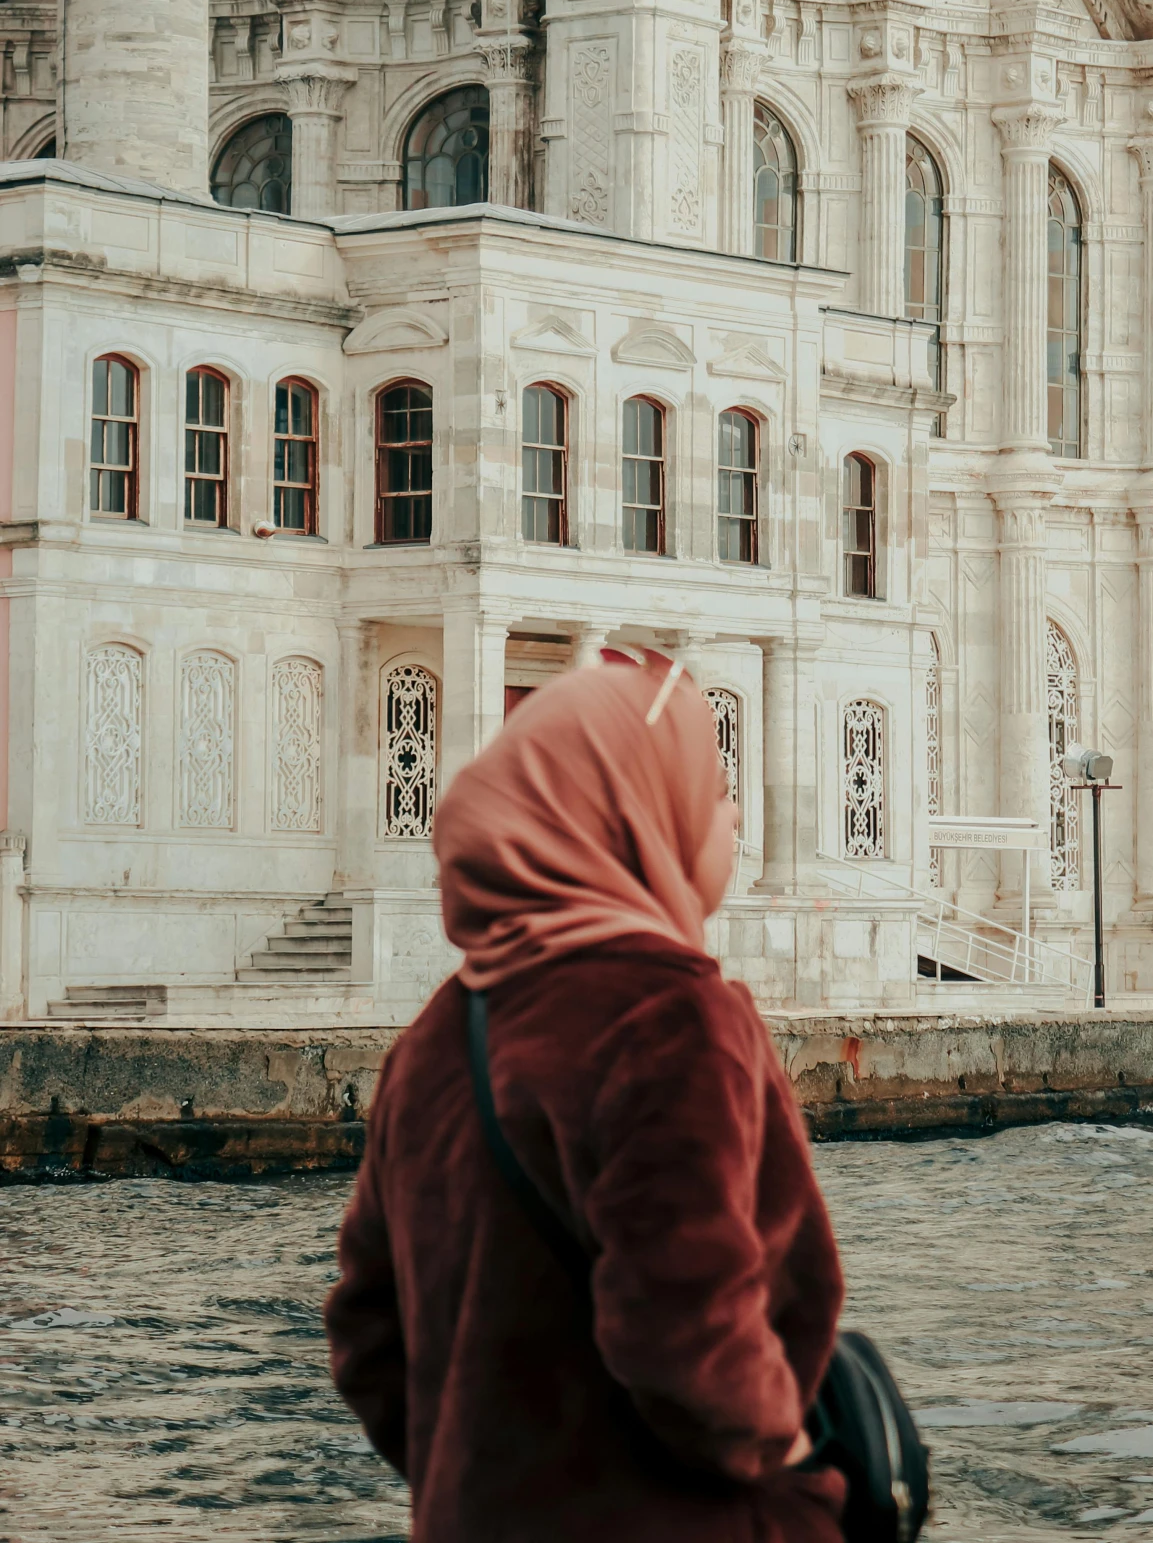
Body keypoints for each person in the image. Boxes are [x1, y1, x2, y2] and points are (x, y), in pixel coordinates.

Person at [324, 647, 848, 1543]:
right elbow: (687, 1323)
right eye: (715, 787)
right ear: (637, 810)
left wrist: (490, 1473)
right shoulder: (668, 1017)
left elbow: (370, 1330)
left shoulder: (439, 1036)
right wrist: (789, 1451)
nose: (731, 815)